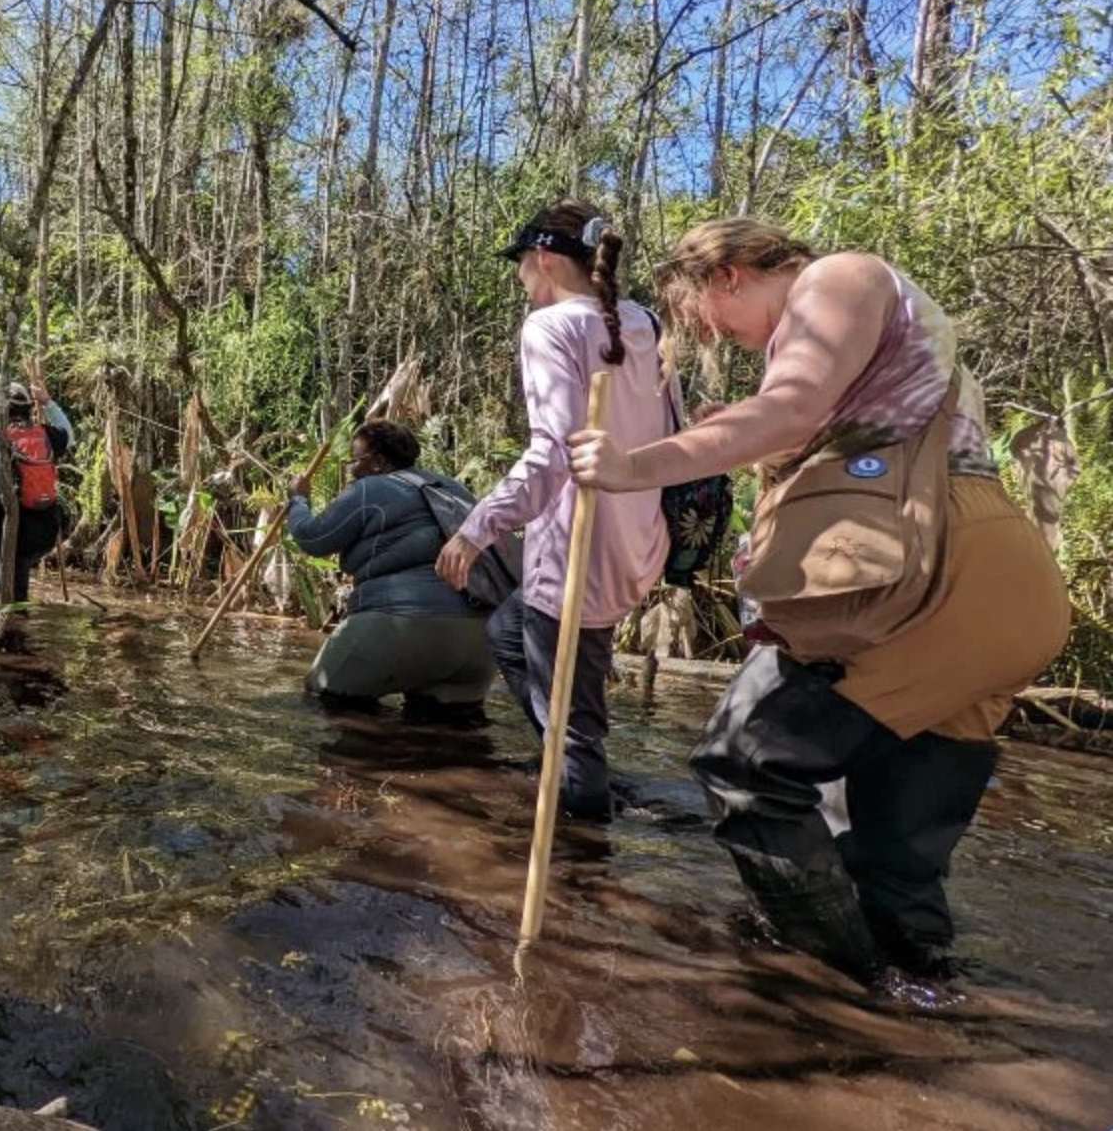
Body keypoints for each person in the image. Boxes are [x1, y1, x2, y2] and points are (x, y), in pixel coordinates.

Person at [566, 218, 1070, 983]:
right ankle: (920, 1024)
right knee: (888, 865)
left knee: (745, 765)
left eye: (712, 322)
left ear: (730, 274)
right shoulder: (881, 335)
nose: (725, 341)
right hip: (993, 594)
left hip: (930, 578)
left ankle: (843, 997)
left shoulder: (837, 279)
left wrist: (633, 465)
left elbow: (790, 408)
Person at [436, 199, 670, 821]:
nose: (519, 279)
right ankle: (569, 764)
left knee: (575, 721)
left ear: (542, 258)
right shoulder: (642, 320)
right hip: (637, 539)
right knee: (508, 635)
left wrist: (474, 530)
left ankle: (582, 855)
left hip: (577, 551)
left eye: (520, 265)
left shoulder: (549, 327)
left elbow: (553, 455)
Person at [285, 419, 500, 724]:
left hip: (403, 625)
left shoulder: (369, 488)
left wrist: (298, 499)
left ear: (377, 462)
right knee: (452, 733)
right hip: (478, 638)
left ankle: (362, 768)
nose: (351, 470)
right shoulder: (453, 488)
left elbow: (313, 538)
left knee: (326, 700)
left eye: (354, 461)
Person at [0, 380, 72, 602]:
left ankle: (15, 626)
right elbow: (68, 435)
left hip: (8, 535)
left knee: (9, 600)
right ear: (28, 408)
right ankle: (20, 619)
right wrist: (47, 402)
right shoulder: (45, 434)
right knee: (19, 578)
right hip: (46, 531)